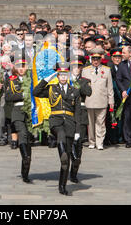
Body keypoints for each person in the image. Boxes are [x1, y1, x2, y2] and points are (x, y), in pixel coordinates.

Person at [33, 62, 82, 196]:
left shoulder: (75, 91)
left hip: (70, 122)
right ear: (58, 76)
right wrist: (47, 79)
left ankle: (62, 186)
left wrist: (78, 130)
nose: (63, 77)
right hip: (56, 120)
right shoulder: (51, 88)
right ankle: (63, 155)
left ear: (68, 76)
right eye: (60, 75)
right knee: (60, 134)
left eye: (65, 75)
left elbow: (78, 112)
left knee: (65, 163)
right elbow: (35, 92)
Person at [5, 58, 32, 183]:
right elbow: (9, 96)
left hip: (30, 113)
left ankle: (25, 170)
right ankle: (25, 157)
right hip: (17, 111)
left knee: (28, 140)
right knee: (22, 134)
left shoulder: (32, 80)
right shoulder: (11, 80)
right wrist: (24, 95)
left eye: (24, 66)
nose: (21, 69)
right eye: (19, 66)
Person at [82, 48, 114, 150]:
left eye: (98, 59)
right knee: (90, 123)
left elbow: (110, 87)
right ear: (91, 59)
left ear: (101, 59)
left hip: (102, 100)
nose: (95, 61)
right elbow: (82, 87)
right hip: (89, 100)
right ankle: (92, 141)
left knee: (100, 122)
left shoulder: (107, 70)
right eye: (93, 59)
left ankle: (100, 141)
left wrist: (111, 101)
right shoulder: (85, 70)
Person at [69, 56, 92, 182]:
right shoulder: (64, 80)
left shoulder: (85, 81)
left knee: (79, 144)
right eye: (74, 66)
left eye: (78, 66)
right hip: (68, 114)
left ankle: (74, 171)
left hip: (81, 114)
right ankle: (69, 163)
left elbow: (88, 92)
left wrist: (76, 83)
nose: (76, 69)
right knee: (68, 142)